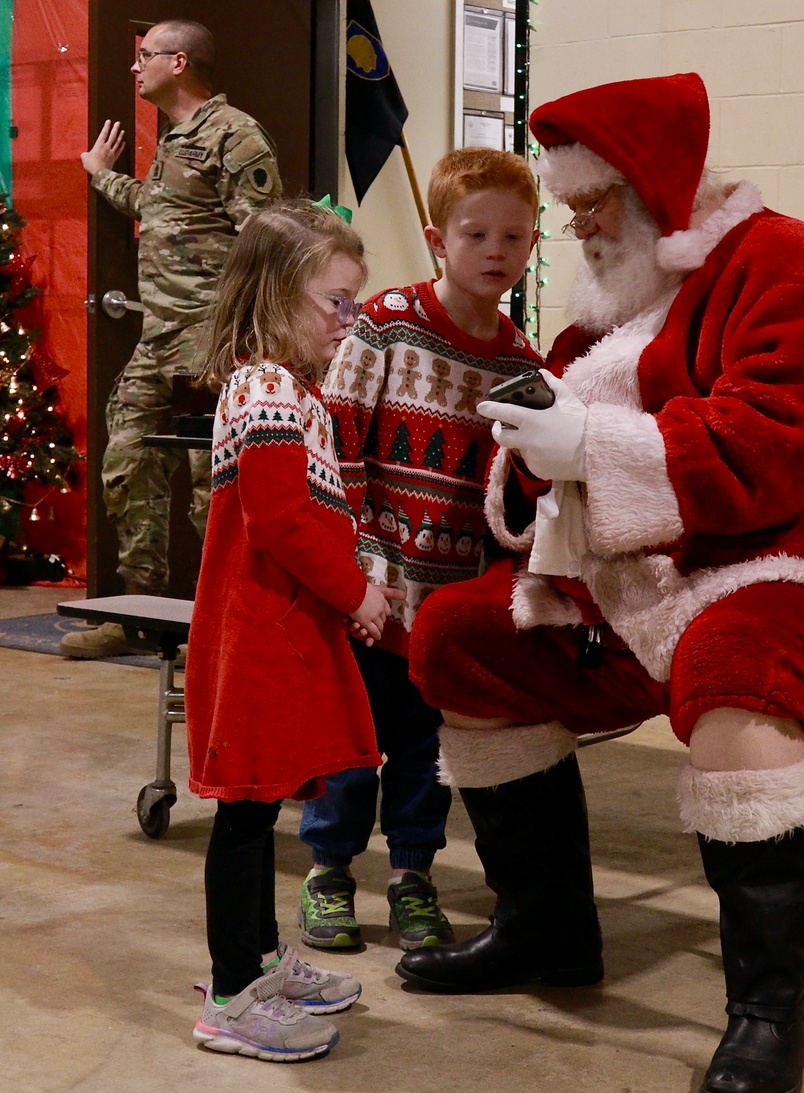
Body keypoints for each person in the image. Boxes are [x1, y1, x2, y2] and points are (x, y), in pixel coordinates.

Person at [395, 74, 804, 1093]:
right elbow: (559, 474)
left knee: (732, 656)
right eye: (569, 211)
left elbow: (775, 446)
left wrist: (589, 440)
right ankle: (545, 928)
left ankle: (767, 1013)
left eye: (591, 205)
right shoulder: (613, 306)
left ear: (655, 183)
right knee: (458, 634)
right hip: (653, 581)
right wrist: (535, 446)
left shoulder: (787, 264)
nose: (579, 230)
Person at [297, 147, 542, 952]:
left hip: (450, 599)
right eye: (477, 235)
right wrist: (360, 559)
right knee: (351, 736)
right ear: (439, 240)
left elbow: (513, 492)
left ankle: (412, 875)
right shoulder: (390, 320)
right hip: (373, 581)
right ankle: (329, 871)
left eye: (514, 236)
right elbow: (334, 438)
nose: (495, 253)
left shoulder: (519, 363)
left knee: (427, 747)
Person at [185, 199, 403, 1062]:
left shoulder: (283, 386)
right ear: (277, 295)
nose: (348, 323)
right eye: (336, 303)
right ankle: (233, 993)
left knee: (259, 804)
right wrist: (361, 592)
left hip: (278, 629)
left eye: (356, 303)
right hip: (259, 634)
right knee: (244, 813)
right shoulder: (269, 385)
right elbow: (280, 519)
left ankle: (260, 961)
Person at [65, 18, 281, 659]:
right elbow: (161, 209)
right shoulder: (174, 138)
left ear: (179, 62)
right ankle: (138, 617)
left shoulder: (235, 135)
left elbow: (265, 240)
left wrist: (246, 334)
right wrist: (100, 173)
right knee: (126, 464)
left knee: (208, 489)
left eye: (145, 56)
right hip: (158, 340)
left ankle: (216, 623)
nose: (136, 67)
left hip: (212, 341)